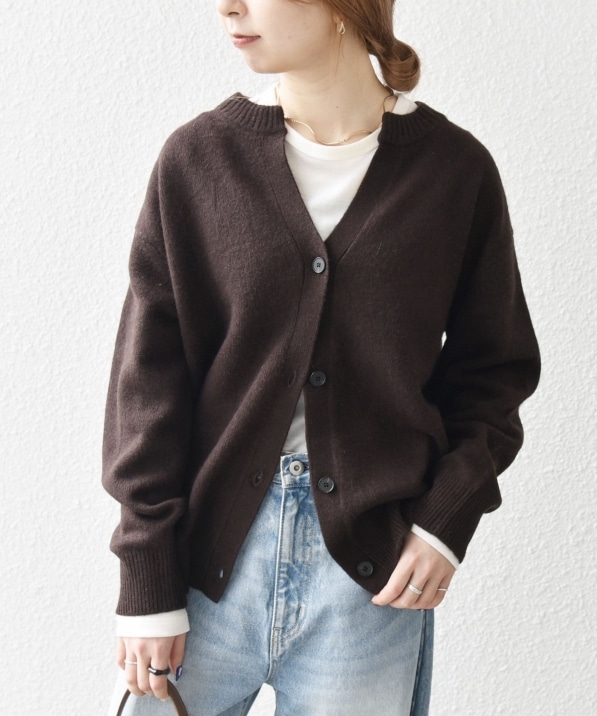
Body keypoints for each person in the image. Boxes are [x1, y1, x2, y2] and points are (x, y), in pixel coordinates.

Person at [102, 1, 541, 714]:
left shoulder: (454, 173)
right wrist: (146, 575)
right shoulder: (198, 161)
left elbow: (494, 372)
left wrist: (445, 522)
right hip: (204, 565)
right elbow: (148, 382)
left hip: (369, 577)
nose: (228, 6)